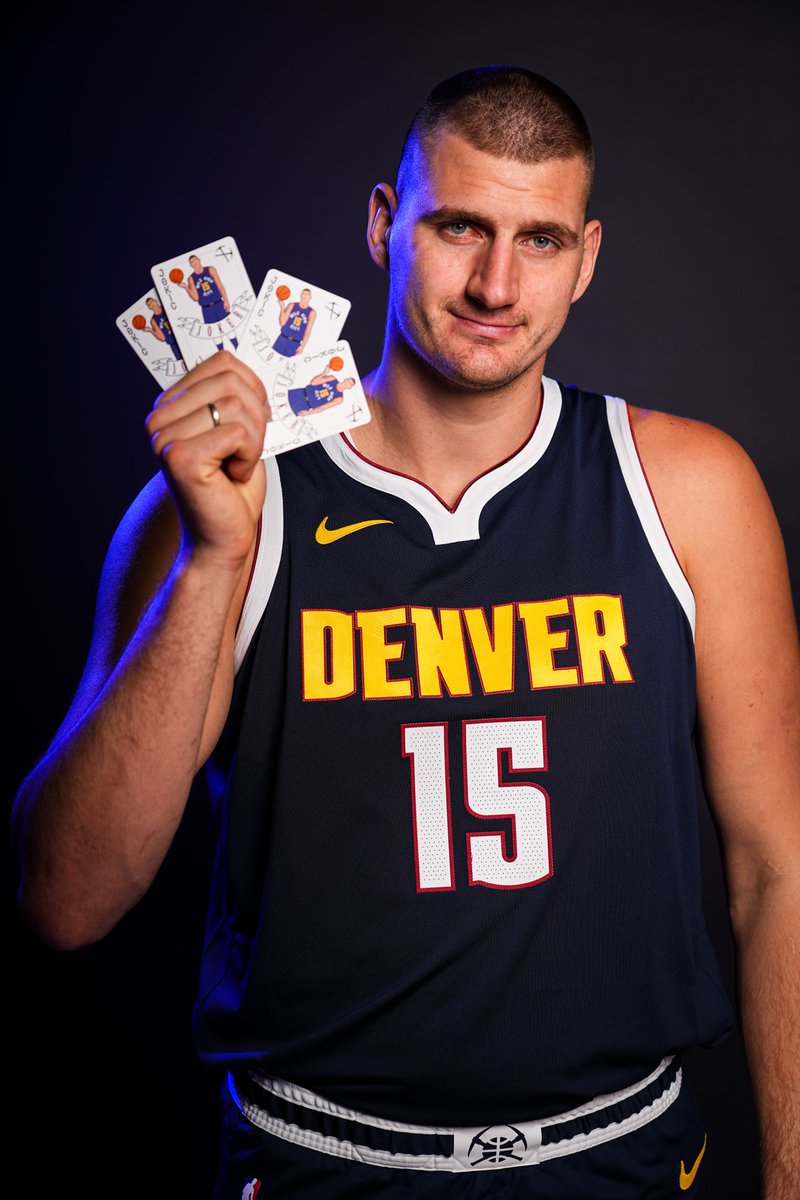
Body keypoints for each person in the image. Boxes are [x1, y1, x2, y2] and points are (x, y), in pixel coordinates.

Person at [12, 66, 799, 1199]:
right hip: (322, 1166)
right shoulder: (227, 502)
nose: (493, 282)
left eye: (536, 240)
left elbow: (777, 869)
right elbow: (64, 901)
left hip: (623, 1160)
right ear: (385, 226)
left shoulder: (684, 487)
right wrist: (213, 559)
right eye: (458, 225)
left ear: (584, 258)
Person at [181, 253, 239, 352]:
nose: (194, 262)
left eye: (195, 260)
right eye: (191, 262)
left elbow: (220, 286)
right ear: (190, 265)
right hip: (206, 308)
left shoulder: (210, 269)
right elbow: (195, 297)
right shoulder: (191, 278)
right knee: (215, 332)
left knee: (227, 327)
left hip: (218, 304)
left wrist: (226, 301)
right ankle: (221, 354)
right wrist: (186, 287)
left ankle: (238, 349)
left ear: (199, 260)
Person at [287, 369, 355, 415]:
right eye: (348, 380)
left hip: (305, 405)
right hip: (299, 393)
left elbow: (322, 408)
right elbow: (313, 382)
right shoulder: (332, 379)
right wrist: (324, 372)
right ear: (345, 379)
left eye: (350, 383)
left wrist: (308, 413)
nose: (347, 383)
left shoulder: (339, 398)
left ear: (350, 387)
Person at [273, 286, 317, 356]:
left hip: (295, 344)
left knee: (285, 366)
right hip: (282, 339)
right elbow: (282, 323)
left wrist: (302, 346)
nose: (305, 295)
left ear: (310, 297)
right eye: (303, 293)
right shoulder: (292, 305)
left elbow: (307, 332)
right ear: (300, 295)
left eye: (307, 294)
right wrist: (282, 308)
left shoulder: (312, 312)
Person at [144, 295, 184, 361]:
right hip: (173, 343)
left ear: (155, 301)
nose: (151, 304)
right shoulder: (153, 320)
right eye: (149, 304)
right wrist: (151, 330)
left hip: (182, 336)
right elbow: (162, 338)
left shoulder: (167, 307)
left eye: (151, 301)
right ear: (149, 308)